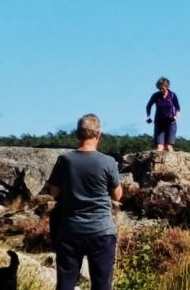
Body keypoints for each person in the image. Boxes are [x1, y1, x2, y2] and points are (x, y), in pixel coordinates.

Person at [47, 114, 122, 290]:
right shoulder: (108, 162)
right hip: (101, 231)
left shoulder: (65, 161)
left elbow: (54, 191)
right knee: (102, 284)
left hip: (70, 230)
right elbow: (117, 196)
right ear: (98, 135)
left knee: (65, 284)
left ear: (77, 134)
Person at [145, 77, 180, 151]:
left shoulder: (172, 95)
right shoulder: (156, 95)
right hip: (159, 122)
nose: (161, 90)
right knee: (159, 146)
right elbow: (148, 106)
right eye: (159, 88)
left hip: (170, 122)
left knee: (168, 146)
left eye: (162, 88)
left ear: (167, 87)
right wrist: (148, 116)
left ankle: (172, 162)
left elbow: (178, 108)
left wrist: (176, 116)